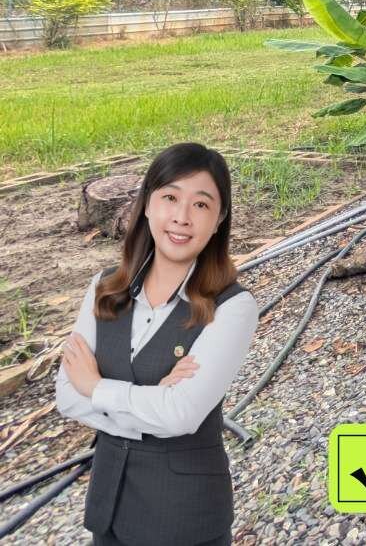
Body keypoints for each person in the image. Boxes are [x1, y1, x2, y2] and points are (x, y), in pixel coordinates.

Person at [56, 142, 259, 546]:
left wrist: (96, 386)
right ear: (147, 204)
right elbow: (66, 396)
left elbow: (180, 415)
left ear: (218, 219)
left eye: (201, 204)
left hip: (184, 518)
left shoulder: (233, 307)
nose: (182, 217)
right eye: (170, 197)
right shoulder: (104, 288)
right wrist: (153, 403)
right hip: (109, 510)